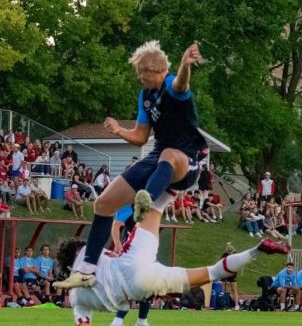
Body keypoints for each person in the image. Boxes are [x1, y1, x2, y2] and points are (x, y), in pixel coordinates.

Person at [56, 194, 289, 326]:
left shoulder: (76, 298)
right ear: (79, 247)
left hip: (136, 288)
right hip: (132, 261)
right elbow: (107, 238)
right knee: (160, 201)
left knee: (212, 274)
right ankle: (256, 250)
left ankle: (133, 315)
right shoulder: (89, 250)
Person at [58, 41, 207, 291]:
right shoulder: (145, 96)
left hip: (187, 159)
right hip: (160, 156)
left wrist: (184, 65)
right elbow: (140, 136)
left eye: (140, 72)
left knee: (169, 154)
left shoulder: (171, 84)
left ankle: (145, 199)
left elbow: (182, 84)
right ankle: (87, 271)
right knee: (103, 203)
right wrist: (118, 130)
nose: (139, 77)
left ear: (152, 69)